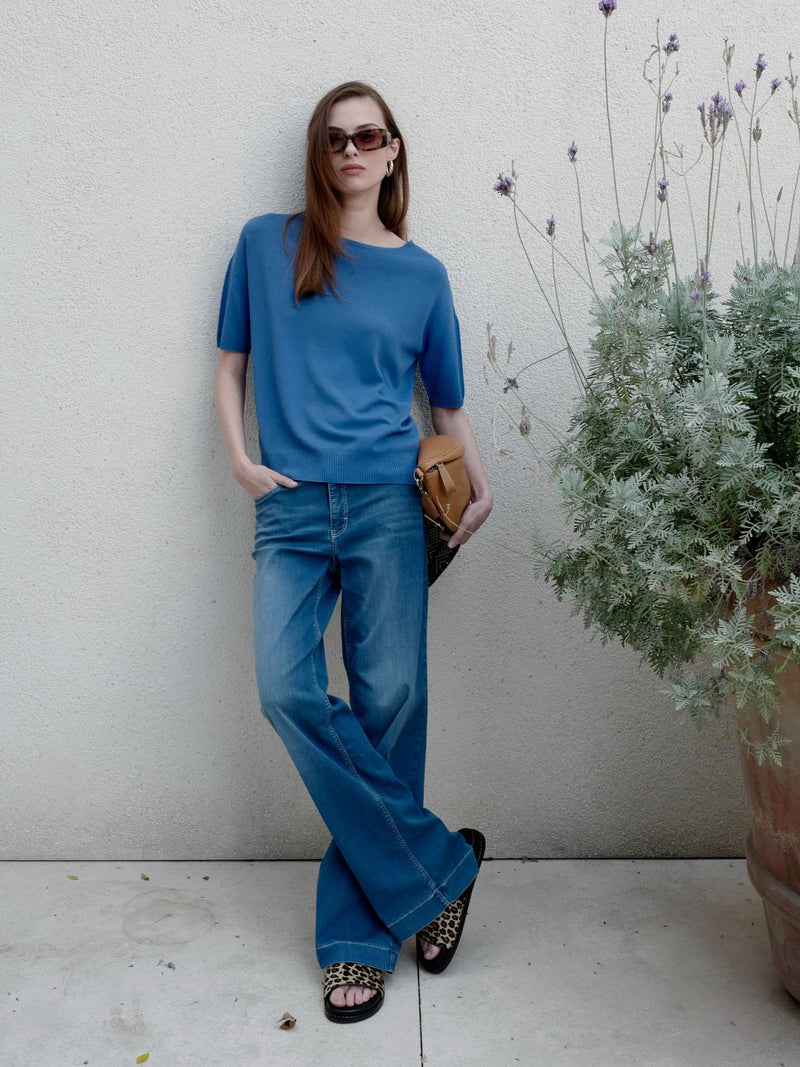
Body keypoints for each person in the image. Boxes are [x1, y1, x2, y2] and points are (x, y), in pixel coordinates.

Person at [215, 81, 493, 1024]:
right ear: (319, 152)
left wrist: (480, 482)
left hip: (386, 505)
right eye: (335, 139)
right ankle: (441, 869)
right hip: (290, 506)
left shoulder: (424, 277)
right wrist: (241, 461)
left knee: (390, 706)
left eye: (367, 136)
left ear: (393, 151)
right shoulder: (267, 244)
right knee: (285, 688)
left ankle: (358, 944)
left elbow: (445, 405)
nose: (350, 151)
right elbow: (230, 365)